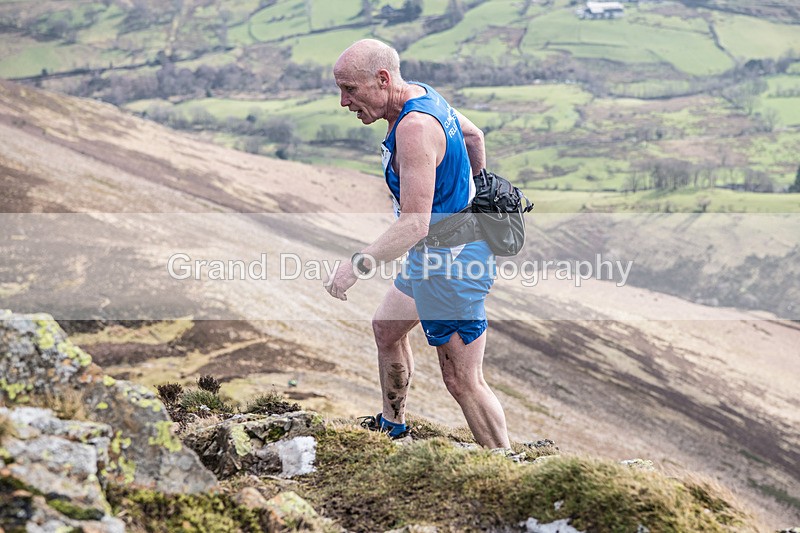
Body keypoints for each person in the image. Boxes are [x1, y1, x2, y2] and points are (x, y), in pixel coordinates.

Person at [323, 39, 510, 449]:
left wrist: (356, 265)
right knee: (386, 330)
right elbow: (473, 135)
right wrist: (476, 191)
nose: (343, 101)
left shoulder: (415, 128)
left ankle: (506, 468)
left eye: (350, 89)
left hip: (453, 264)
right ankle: (393, 425)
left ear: (383, 80)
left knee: (462, 380)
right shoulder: (423, 95)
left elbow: (415, 224)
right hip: (434, 256)